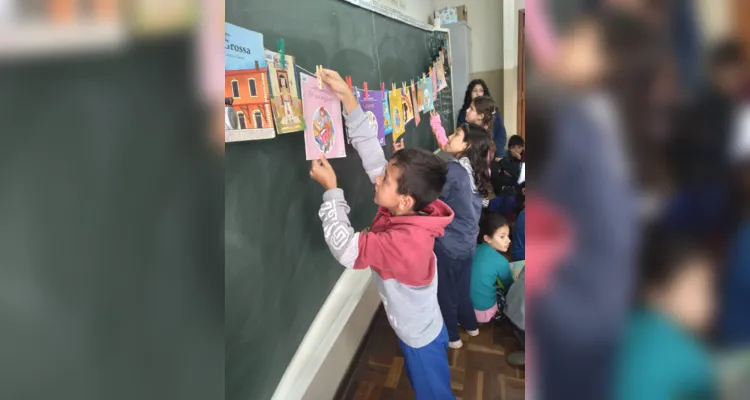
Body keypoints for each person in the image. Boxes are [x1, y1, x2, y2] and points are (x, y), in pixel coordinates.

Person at [309, 68, 455, 399]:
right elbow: (374, 156)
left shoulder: (404, 244)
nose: (378, 178)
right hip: (427, 318)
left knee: (434, 393)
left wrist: (332, 190)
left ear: (404, 199)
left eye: (385, 180)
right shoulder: (410, 205)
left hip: (419, 336)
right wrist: (348, 99)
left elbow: (347, 249)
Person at [615, 225, 718, 399]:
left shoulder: (620, 331)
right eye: (698, 289)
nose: (709, 302)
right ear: (657, 291)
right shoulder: (690, 357)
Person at [430, 119, 493, 348]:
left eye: (456, 134)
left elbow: (432, 197)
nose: (450, 136)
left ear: (467, 145)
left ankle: (452, 337)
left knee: (445, 291)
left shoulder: (454, 170)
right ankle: (470, 325)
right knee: (461, 287)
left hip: (448, 244)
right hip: (468, 243)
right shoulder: (475, 168)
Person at [470, 212, 513, 323]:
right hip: (483, 312)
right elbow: (509, 287)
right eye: (502, 237)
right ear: (488, 238)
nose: (508, 241)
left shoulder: (472, 248)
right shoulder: (502, 261)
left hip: (464, 308)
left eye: (508, 236)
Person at [456, 79, 507, 158]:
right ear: (470, 93)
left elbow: (501, 133)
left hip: (493, 154)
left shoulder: (493, 111)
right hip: (472, 155)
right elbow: (461, 136)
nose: (478, 93)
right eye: (475, 90)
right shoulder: (464, 113)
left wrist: (493, 151)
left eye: (481, 91)